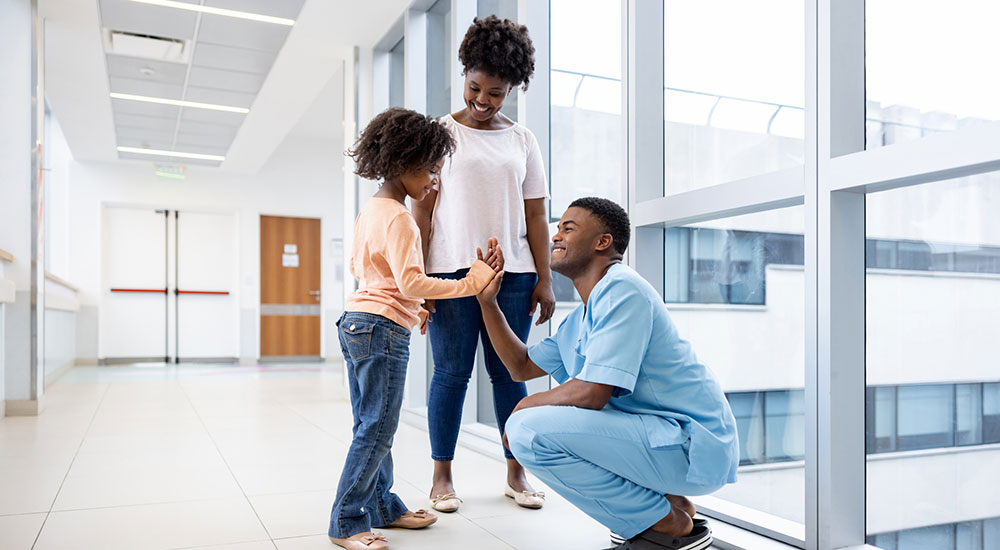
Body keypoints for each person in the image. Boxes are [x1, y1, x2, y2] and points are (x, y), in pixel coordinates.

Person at [476, 197, 740, 550]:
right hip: (661, 441)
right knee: (529, 426)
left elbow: (592, 394)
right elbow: (520, 366)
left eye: (568, 228)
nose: (556, 236)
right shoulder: (584, 314)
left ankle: (666, 525)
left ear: (603, 242)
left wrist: (525, 407)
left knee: (527, 431)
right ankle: (669, 508)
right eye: (557, 228)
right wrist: (487, 303)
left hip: (691, 443)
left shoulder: (623, 289)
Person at [329, 107, 504, 550]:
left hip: (356, 323)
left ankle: (384, 507)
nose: (433, 182)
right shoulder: (401, 218)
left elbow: (361, 268)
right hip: (382, 330)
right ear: (404, 164)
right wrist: (470, 282)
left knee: (371, 423)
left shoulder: (370, 211)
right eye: (429, 171)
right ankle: (347, 521)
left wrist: (412, 307)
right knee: (378, 428)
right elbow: (410, 281)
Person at [411, 15, 553, 512]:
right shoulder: (438, 134)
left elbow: (536, 213)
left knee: (508, 375)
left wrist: (546, 280)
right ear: (464, 74)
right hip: (450, 273)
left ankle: (517, 471)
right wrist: (421, 282)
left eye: (497, 92)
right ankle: (442, 476)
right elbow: (422, 212)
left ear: (512, 88)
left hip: (513, 273)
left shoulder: (523, 140)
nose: (484, 100)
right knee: (451, 373)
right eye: (476, 88)